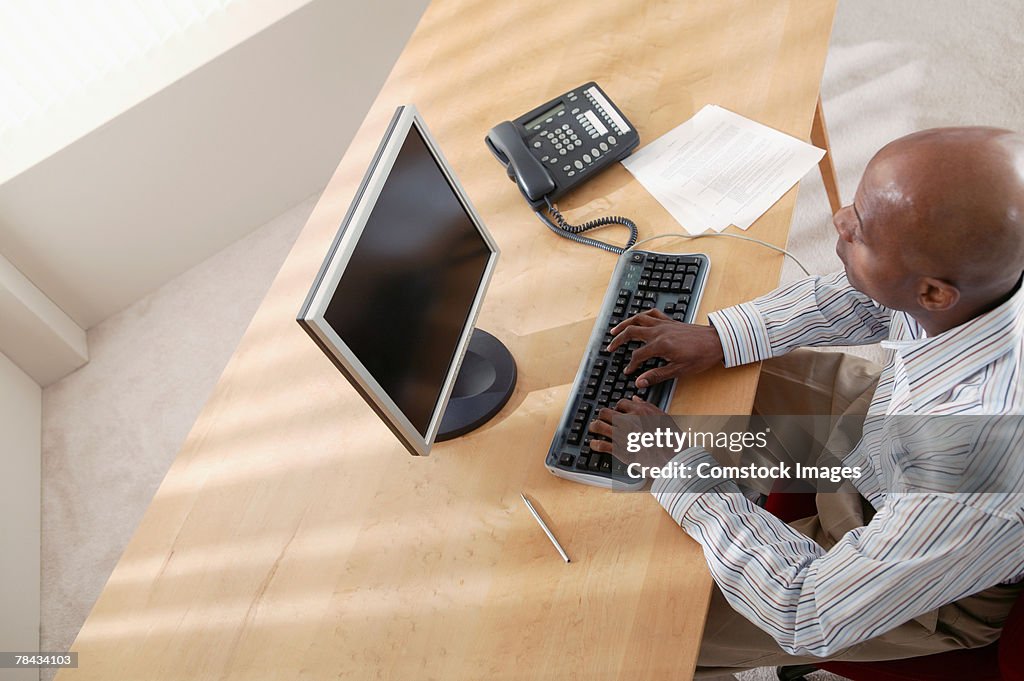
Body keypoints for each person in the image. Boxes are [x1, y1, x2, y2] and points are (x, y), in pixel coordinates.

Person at [588, 127, 1024, 677]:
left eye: (860, 231)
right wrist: (721, 337)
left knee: (638, 630)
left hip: (922, 554)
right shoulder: (984, 274)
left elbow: (806, 608)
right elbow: (870, 296)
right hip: (894, 421)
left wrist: (680, 469)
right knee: (729, 373)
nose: (839, 220)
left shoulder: (976, 476)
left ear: (935, 293)